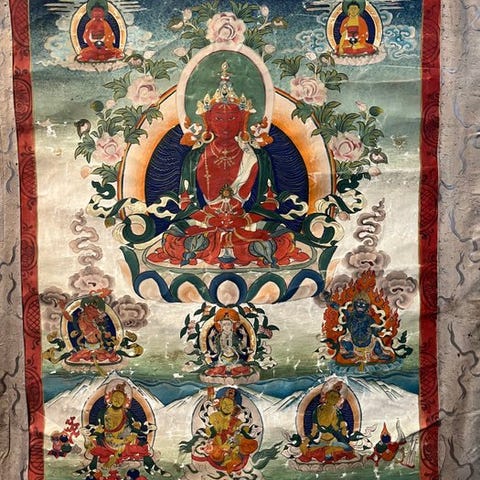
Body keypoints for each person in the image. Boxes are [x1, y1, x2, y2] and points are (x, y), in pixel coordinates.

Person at [147, 62, 309, 269]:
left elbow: (268, 202)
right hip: (205, 223)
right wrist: (210, 220)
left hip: (247, 223)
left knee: (282, 237)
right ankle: (246, 252)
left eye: (232, 118)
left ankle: (229, 250)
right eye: (218, 118)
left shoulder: (257, 157)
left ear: (243, 121)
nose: (225, 124)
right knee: (173, 238)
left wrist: (244, 220)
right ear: (208, 121)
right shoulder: (195, 157)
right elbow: (186, 202)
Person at [77, 382, 168, 476]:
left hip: (125, 442)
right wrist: (91, 434)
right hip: (108, 442)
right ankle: (91, 467)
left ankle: (150, 466)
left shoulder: (127, 413)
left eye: (121, 398)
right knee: (94, 445)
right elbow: (100, 428)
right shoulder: (103, 412)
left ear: (125, 401)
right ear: (110, 398)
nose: (117, 400)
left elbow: (134, 427)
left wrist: (144, 429)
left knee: (143, 445)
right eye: (115, 397)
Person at [203, 388, 258, 474]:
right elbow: (209, 432)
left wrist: (238, 437)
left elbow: (243, 433)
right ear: (220, 404)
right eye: (224, 403)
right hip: (217, 446)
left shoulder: (237, 421)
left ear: (234, 408)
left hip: (232, 446)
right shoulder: (213, 417)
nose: (226, 407)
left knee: (249, 445)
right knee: (216, 453)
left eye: (230, 405)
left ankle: (232, 464)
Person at [299, 384, 356, 463]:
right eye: (332, 397)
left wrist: (343, 429)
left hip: (334, 442)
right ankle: (327, 453)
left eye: (336, 398)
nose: (334, 400)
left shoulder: (337, 412)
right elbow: (314, 431)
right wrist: (305, 443)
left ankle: (329, 452)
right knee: (308, 450)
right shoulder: (318, 410)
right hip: (321, 442)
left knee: (348, 450)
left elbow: (343, 430)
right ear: (326, 397)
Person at [338, 291, 394, 364]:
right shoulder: (350, 316)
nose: (360, 307)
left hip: (368, 342)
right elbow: (340, 309)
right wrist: (330, 302)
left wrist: (378, 329)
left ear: (367, 307)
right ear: (354, 305)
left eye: (363, 305)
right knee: (344, 340)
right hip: (354, 341)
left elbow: (375, 328)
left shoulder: (368, 318)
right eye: (358, 304)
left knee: (376, 341)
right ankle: (350, 352)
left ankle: (380, 354)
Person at [204, 308, 252, 378]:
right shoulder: (219, 337)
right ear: (221, 326)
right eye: (224, 324)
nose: (226, 326)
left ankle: (230, 371)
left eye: (228, 324)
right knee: (216, 369)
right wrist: (210, 338)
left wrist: (244, 335)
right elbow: (215, 350)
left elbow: (242, 347)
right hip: (222, 360)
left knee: (241, 368)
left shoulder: (234, 336)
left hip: (235, 360)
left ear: (232, 326)